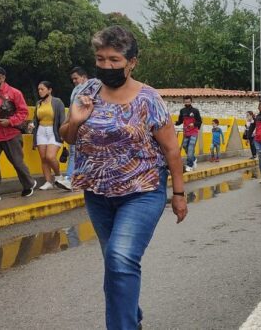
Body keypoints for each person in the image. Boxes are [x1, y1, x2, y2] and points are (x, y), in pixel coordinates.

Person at [59, 25, 188, 330]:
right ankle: (133, 317)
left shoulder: (149, 99)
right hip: (98, 193)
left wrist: (179, 195)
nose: (106, 66)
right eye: (101, 59)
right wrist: (76, 121)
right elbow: (69, 137)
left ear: (132, 62)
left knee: (120, 258)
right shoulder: (86, 91)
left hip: (142, 191)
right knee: (116, 264)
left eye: (114, 60)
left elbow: (171, 150)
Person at [0, 66, 37, 201]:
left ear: (2, 77)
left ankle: (29, 184)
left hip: (11, 133)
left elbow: (23, 112)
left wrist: (10, 121)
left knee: (17, 162)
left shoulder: (15, 93)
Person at [56, 67, 95, 191]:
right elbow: (72, 110)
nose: (74, 81)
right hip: (75, 126)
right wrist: (66, 127)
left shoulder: (93, 87)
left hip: (88, 127)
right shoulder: (76, 91)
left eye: (76, 78)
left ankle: (73, 179)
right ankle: (70, 178)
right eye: (72, 79)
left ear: (84, 77)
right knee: (74, 152)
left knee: (84, 154)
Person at [31, 81, 66, 190]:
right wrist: (32, 125)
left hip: (53, 131)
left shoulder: (57, 102)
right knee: (44, 158)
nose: (40, 91)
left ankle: (58, 175)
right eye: (39, 89)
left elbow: (62, 119)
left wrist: (63, 133)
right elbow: (35, 118)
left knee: (50, 156)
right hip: (41, 131)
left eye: (42, 89)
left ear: (49, 90)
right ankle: (48, 181)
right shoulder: (39, 103)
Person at [175, 96, 202, 172]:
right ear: (184, 102)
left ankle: (189, 165)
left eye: (188, 102)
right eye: (186, 102)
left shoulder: (195, 111)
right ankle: (193, 158)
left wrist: (193, 124)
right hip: (186, 133)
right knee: (184, 146)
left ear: (191, 102)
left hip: (194, 132)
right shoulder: (182, 111)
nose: (187, 103)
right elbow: (180, 121)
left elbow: (199, 121)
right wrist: (174, 123)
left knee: (190, 149)